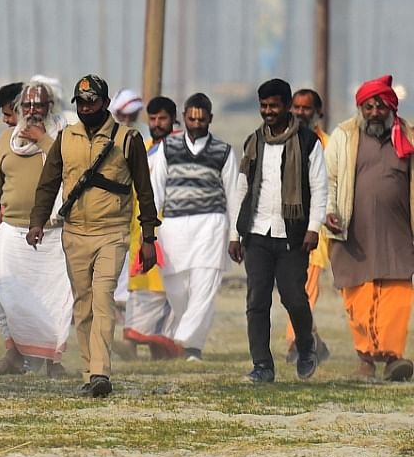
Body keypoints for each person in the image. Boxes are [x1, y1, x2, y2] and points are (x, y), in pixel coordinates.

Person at [30, 74, 158, 398]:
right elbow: (48, 183)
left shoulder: (127, 139)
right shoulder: (65, 138)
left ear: (105, 103)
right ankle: (91, 373)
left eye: (92, 101)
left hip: (111, 232)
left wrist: (148, 237)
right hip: (74, 232)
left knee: (103, 299)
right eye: (82, 103)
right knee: (83, 306)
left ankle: (101, 372)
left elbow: (144, 191)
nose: (87, 108)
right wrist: (37, 221)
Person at [230, 78, 326, 383]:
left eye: (274, 106)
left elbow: (320, 188)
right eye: (263, 106)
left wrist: (313, 228)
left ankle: (306, 346)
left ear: (287, 107)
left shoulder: (308, 142)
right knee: (257, 300)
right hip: (257, 233)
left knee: (294, 298)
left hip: (293, 236)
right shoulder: (254, 141)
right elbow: (241, 187)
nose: (268, 111)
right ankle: (262, 365)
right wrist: (235, 234)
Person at [323, 75, 414, 381]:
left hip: (398, 232)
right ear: (360, 108)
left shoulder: (409, 137)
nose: (374, 112)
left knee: (396, 295)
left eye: (379, 105)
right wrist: (329, 212)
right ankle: (365, 356)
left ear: (391, 106)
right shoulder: (344, 135)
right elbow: (329, 179)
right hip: (353, 230)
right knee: (358, 298)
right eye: (367, 106)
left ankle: (392, 358)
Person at [0, 79, 73, 377]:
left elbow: (68, 170)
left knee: (54, 300)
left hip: (52, 233)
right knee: (4, 295)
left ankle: (52, 363)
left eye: (39, 104)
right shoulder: (6, 139)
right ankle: (14, 356)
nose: (33, 110)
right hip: (11, 232)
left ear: (50, 108)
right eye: (28, 105)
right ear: (19, 108)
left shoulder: (61, 138)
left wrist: (43, 139)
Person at [148, 93, 240, 361]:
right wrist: (149, 232)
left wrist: (235, 235)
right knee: (176, 288)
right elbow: (155, 192)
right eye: (192, 118)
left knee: (204, 287)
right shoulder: (168, 147)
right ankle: (185, 335)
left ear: (210, 118)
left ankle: (190, 346)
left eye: (202, 119)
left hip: (211, 225)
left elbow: (234, 194)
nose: (197, 123)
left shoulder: (223, 151)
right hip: (173, 226)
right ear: (184, 118)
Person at [122, 96, 181, 360]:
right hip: (139, 229)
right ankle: (132, 345)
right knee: (139, 285)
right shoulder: (145, 148)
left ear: (173, 119)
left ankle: (163, 345)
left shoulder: (178, 150)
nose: (157, 124)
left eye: (163, 119)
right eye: (153, 119)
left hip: (168, 230)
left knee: (163, 289)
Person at [287, 87, 332, 363]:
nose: (300, 113)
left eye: (306, 108)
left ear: (318, 114)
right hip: (287, 225)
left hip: (318, 228)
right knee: (293, 285)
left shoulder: (329, 145)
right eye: (297, 107)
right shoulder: (285, 140)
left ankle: (297, 341)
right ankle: (314, 339)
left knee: (307, 285)